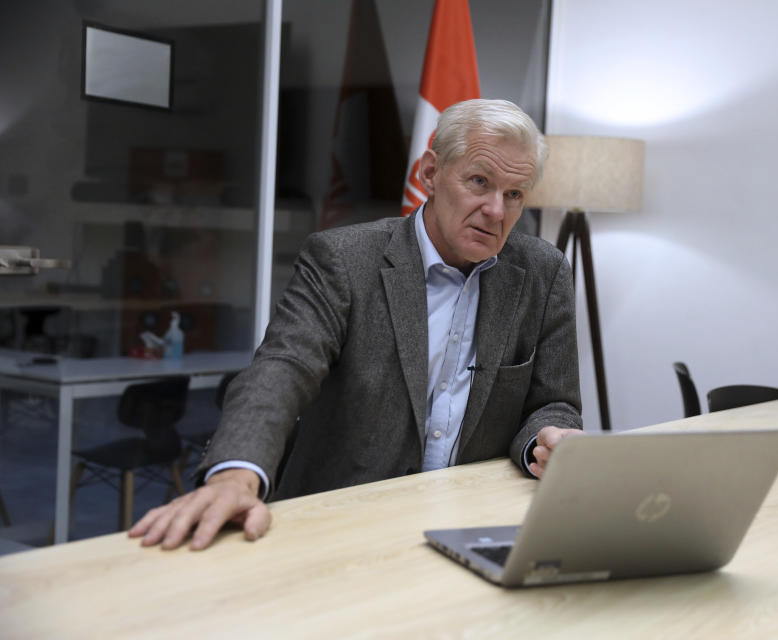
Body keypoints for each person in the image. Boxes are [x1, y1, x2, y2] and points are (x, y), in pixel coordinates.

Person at [129, 98, 583, 551]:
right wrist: (235, 473)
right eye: (479, 182)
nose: (496, 211)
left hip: (469, 524)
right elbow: (281, 370)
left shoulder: (543, 274)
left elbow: (553, 404)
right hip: (341, 522)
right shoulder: (344, 261)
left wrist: (546, 440)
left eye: (514, 194)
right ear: (429, 173)